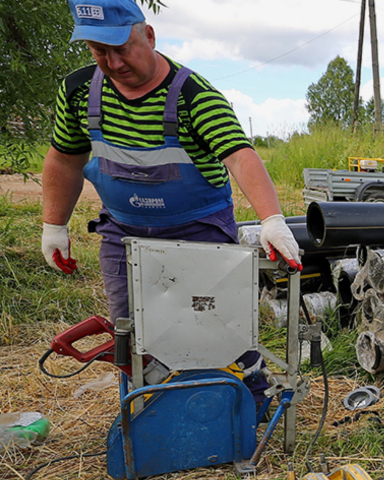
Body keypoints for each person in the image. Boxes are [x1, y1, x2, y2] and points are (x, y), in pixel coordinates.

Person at [40, 0, 301, 329]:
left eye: (122, 48)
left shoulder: (194, 95)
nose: (114, 62)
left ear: (149, 36)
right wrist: (54, 226)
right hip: (123, 236)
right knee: (131, 336)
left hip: (199, 236)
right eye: (99, 51)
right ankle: (143, 382)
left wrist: (272, 220)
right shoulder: (78, 92)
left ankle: (237, 379)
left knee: (215, 333)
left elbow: (239, 155)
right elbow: (64, 160)